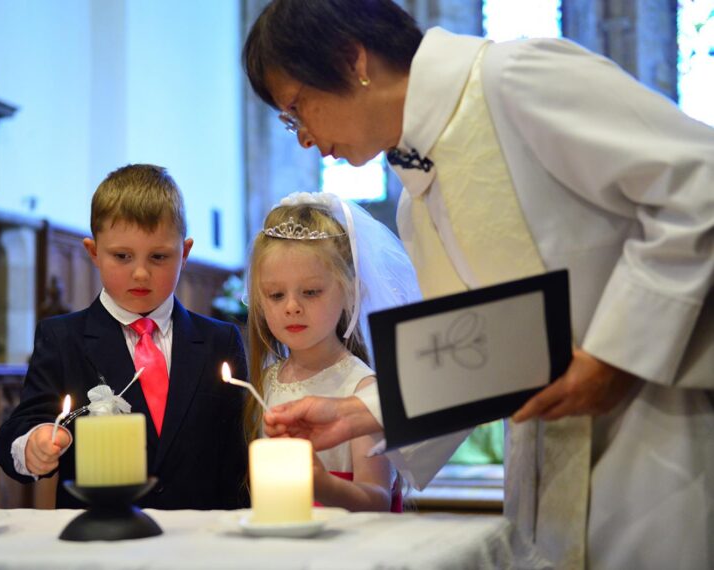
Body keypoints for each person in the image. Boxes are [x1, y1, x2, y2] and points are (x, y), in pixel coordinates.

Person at [243, 1, 714, 569]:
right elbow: (479, 351)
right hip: (545, 463)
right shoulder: (418, 202)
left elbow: (700, 182)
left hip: (660, 439)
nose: (303, 139)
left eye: (297, 110)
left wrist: (613, 356)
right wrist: (363, 412)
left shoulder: (516, 80)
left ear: (352, 59)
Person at [0, 164, 249, 510]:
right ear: (93, 252)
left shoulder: (220, 340)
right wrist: (32, 444)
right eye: (122, 256)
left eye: (159, 257)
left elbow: (239, 450)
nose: (141, 273)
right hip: (99, 536)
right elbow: (22, 424)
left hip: (201, 538)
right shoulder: (63, 338)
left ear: (185, 253)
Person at [245, 191, 426, 512]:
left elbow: (378, 500)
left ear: (348, 292)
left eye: (311, 292)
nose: (291, 307)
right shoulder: (266, 379)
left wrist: (323, 485)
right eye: (275, 295)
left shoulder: (362, 389)